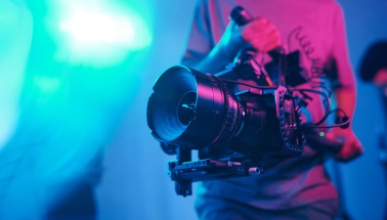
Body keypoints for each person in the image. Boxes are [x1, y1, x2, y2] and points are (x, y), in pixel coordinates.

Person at [181, 0, 363, 219]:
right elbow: (184, 86)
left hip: (308, 197)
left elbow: (344, 85)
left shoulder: (328, 9)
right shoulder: (212, 4)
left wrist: (344, 129)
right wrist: (226, 49)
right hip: (228, 198)